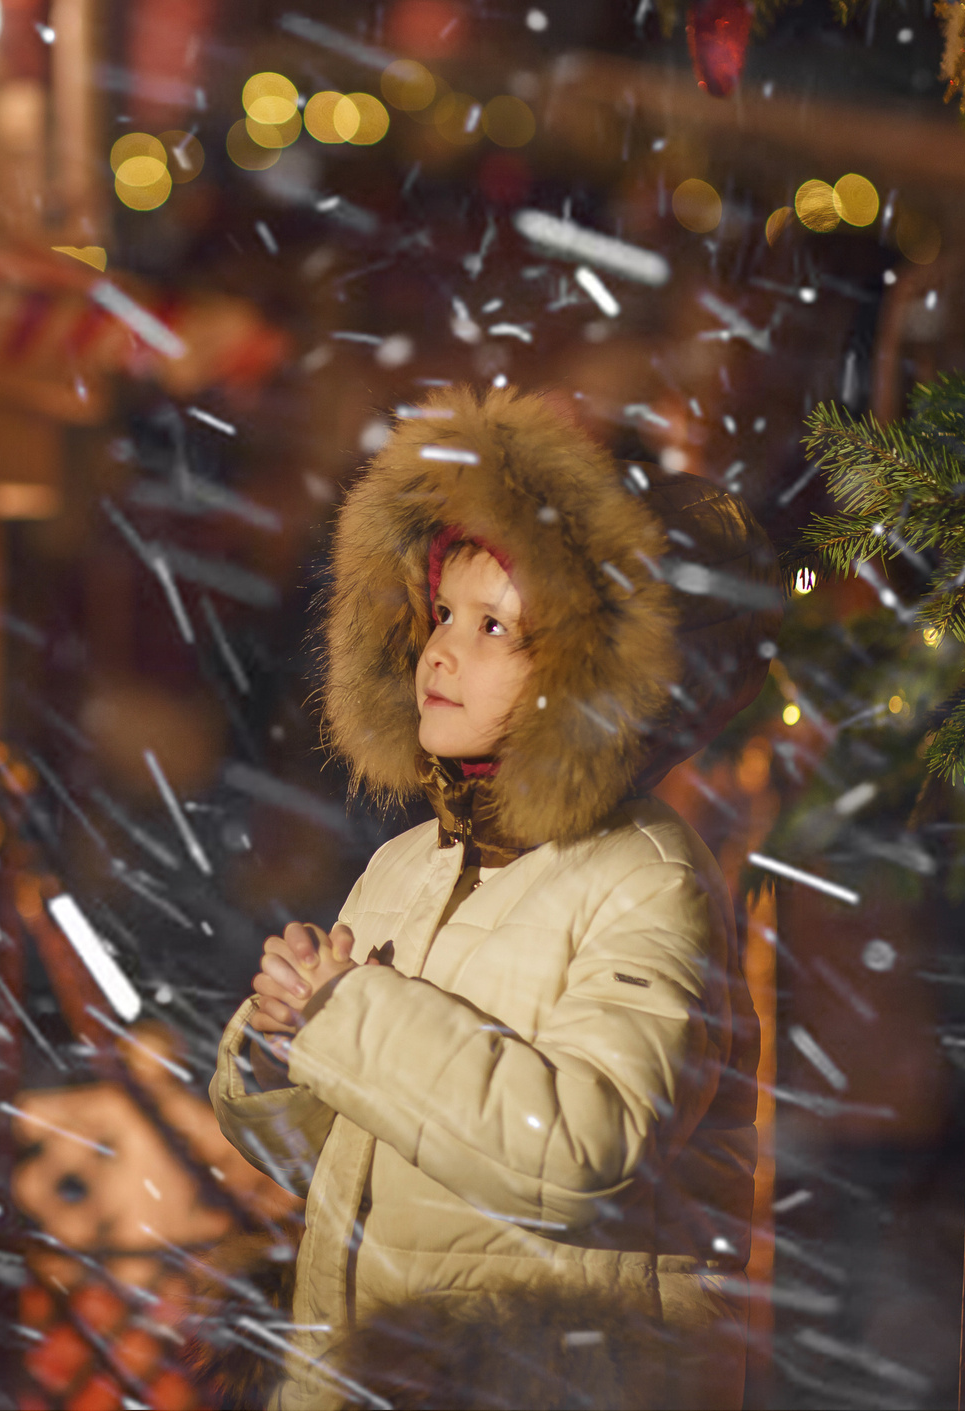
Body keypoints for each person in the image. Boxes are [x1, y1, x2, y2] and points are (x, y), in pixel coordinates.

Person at [209, 386, 769, 1410]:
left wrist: (352, 1014)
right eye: (441, 614)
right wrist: (280, 1042)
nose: (439, 650)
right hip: (376, 1367)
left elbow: (579, 1151)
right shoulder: (411, 863)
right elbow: (336, 1143)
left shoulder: (644, 875)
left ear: (593, 673)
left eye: (494, 626)